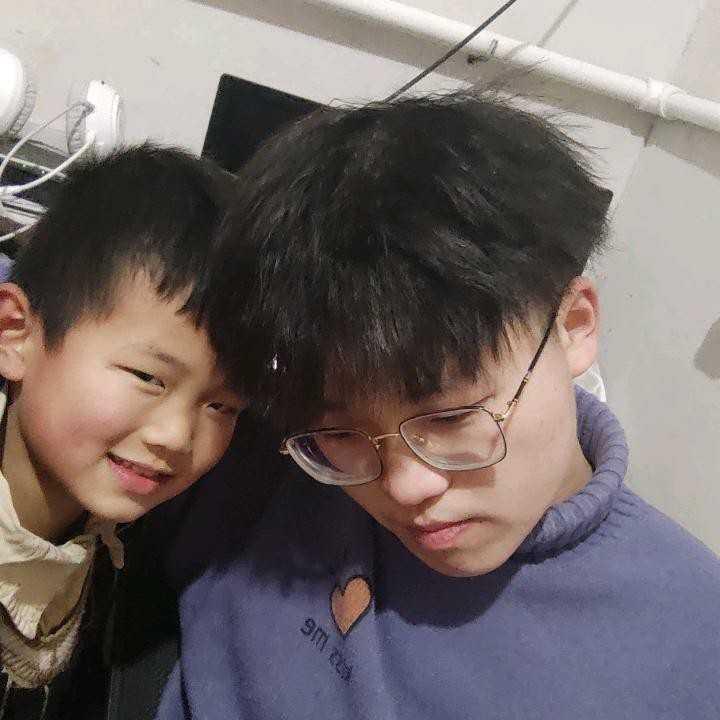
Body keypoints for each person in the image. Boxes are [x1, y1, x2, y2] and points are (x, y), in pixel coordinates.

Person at [158, 90, 720, 720]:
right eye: (340, 433)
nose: (405, 488)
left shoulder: (697, 643)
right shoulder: (275, 454)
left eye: (452, 418)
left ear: (573, 326)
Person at [0, 144, 259, 719]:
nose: (177, 436)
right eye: (148, 377)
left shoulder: (127, 555)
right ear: (15, 334)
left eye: (223, 406)